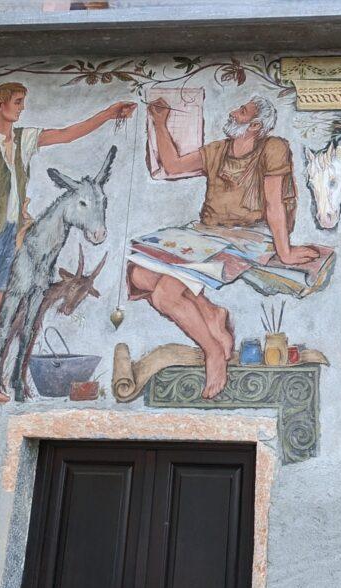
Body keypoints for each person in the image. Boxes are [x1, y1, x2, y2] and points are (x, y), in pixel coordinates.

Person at [0, 82, 136, 405]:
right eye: (17, 102)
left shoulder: (23, 140)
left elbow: (68, 133)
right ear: (0, 105)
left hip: (9, 233)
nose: (21, 107)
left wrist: (108, 113)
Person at [135, 95, 318, 398]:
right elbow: (172, 165)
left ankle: (213, 353)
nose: (234, 110)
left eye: (242, 110)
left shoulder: (273, 148)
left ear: (256, 125)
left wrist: (284, 251)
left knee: (165, 294)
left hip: (247, 236)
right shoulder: (218, 149)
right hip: (205, 233)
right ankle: (211, 313)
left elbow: (274, 204)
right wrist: (159, 122)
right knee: (139, 275)